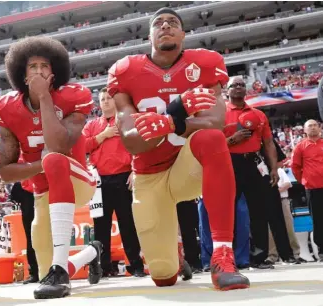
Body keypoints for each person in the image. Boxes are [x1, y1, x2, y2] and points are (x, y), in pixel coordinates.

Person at [107, 8, 249, 290]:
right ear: (149, 35)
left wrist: (170, 121)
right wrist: (177, 113)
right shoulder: (126, 70)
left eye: (173, 22)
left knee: (211, 139)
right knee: (163, 277)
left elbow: (217, 122)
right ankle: (175, 256)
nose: (165, 26)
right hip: (149, 176)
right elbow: (132, 141)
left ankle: (222, 254)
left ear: (183, 34)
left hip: (188, 167)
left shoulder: (204, 64)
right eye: (158, 23)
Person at [0, 36, 103, 299]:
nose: (39, 71)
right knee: (46, 272)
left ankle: (61, 268)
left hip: (77, 180)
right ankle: (90, 253)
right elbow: (6, 171)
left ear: (55, 73)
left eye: (45, 66)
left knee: (54, 158)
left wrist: (44, 97)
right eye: (33, 66)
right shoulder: (8, 108)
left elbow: (59, 145)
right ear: (22, 74)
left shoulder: (72, 96)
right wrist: (39, 167)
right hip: (43, 191)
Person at [224, 76, 293, 267]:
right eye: (233, 85)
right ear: (226, 91)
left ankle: (258, 257)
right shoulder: (219, 113)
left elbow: (269, 143)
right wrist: (231, 140)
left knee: (258, 212)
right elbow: (212, 143)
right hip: (229, 163)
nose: (238, 88)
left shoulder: (259, 115)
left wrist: (273, 168)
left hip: (254, 162)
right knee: (229, 213)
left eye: (241, 85)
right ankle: (229, 258)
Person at [82, 87, 145, 277]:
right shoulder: (92, 125)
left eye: (109, 98)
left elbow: (138, 145)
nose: (106, 101)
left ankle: (136, 265)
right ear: (98, 103)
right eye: (102, 99)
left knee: (128, 225)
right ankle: (104, 267)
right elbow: (81, 145)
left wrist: (135, 170)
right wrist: (103, 135)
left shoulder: (125, 121)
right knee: (100, 227)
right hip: (99, 182)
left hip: (123, 177)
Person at [291, 119, 323, 262]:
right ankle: (322, 250)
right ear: (304, 130)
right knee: (318, 219)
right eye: (310, 126)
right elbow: (295, 167)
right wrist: (305, 180)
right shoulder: (300, 147)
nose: (313, 128)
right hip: (313, 187)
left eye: (315, 125)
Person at [9, 179, 39, 284]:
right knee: (33, 240)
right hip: (34, 212)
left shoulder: (19, 184)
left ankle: (35, 272)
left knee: (32, 240)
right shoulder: (20, 184)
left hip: (30, 214)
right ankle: (37, 272)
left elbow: (14, 198)